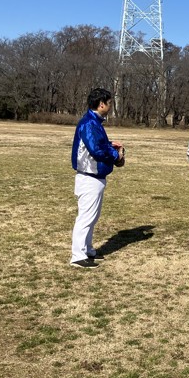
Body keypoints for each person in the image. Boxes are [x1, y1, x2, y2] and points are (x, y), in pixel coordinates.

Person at [70, 88, 124, 268]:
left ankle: (87, 250)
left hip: (95, 176)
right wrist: (115, 155)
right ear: (101, 104)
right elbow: (96, 149)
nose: (110, 106)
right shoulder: (89, 123)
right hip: (89, 176)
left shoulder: (95, 123)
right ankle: (77, 256)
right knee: (86, 217)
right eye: (109, 103)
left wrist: (110, 144)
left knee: (93, 216)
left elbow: (97, 144)